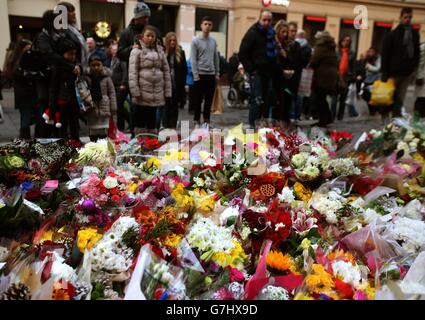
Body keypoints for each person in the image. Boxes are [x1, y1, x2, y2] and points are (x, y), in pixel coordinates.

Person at [128, 25, 172, 134]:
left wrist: (167, 92)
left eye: (152, 36)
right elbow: (132, 72)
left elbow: (166, 72)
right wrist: (135, 91)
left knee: (152, 121)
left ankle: (151, 144)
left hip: (156, 93)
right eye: (148, 35)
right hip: (141, 94)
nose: (150, 38)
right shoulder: (136, 51)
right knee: (140, 121)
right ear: (142, 36)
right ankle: (140, 144)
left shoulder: (160, 51)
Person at [239, 9, 278, 129]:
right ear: (260, 19)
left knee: (266, 101)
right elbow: (243, 53)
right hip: (257, 72)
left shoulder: (272, 34)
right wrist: (251, 69)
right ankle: (252, 125)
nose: (266, 22)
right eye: (264, 20)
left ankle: (262, 126)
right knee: (256, 100)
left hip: (268, 72)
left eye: (269, 20)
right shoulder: (252, 33)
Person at [381, 7, 420, 118]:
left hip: (406, 73)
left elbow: (416, 52)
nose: (408, 20)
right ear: (400, 17)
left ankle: (396, 123)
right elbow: (385, 55)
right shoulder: (392, 35)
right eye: (405, 17)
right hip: (393, 73)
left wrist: (413, 68)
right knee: (388, 97)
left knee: (399, 99)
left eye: (410, 17)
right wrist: (384, 73)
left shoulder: (414, 34)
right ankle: (384, 120)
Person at [9, 40, 42, 139]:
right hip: (23, 95)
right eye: (27, 48)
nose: (29, 51)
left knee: (39, 118)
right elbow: (16, 74)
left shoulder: (31, 58)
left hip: (33, 93)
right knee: (25, 120)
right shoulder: (16, 61)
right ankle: (25, 140)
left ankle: (37, 140)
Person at [190, 16, 220, 128]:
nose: (207, 26)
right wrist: (195, 75)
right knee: (197, 100)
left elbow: (216, 57)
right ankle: (196, 120)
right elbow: (193, 59)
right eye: (205, 24)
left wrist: (217, 73)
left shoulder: (213, 41)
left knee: (208, 101)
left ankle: (207, 121)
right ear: (201, 26)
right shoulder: (195, 41)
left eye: (209, 24)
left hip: (211, 75)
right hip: (200, 75)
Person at [49, 37, 80, 141]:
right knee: (62, 124)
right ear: (63, 54)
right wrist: (52, 104)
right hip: (63, 100)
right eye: (70, 54)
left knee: (74, 123)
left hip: (74, 99)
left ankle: (75, 141)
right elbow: (53, 87)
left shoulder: (75, 65)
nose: (73, 56)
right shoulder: (58, 67)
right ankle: (63, 143)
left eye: (74, 54)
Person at [84, 55, 117, 142]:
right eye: (93, 65)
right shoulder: (86, 78)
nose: (96, 67)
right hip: (91, 108)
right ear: (90, 66)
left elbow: (112, 92)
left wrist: (113, 107)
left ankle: (102, 147)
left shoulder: (107, 77)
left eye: (98, 65)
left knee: (103, 131)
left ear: (102, 65)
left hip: (104, 107)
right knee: (93, 131)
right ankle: (93, 146)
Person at [310, 31, 338, 127]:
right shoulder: (331, 47)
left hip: (321, 76)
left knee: (319, 98)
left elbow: (314, 59)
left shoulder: (321, 46)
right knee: (322, 98)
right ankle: (327, 118)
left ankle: (323, 120)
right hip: (330, 76)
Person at [332, 35, 359, 120]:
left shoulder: (352, 53)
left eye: (348, 41)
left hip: (346, 78)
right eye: (345, 40)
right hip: (337, 77)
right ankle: (332, 116)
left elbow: (354, 66)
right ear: (341, 41)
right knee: (334, 98)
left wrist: (353, 77)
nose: (346, 42)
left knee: (343, 98)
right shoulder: (337, 52)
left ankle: (340, 116)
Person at [164, 32, 187, 129]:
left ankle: (173, 126)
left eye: (174, 40)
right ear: (167, 42)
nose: (172, 42)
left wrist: (183, 84)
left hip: (177, 84)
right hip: (166, 84)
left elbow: (184, 69)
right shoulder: (163, 53)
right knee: (166, 106)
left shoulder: (180, 52)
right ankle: (166, 126)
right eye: (170, 40)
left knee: (175, 106)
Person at [57, 2, 89, 68]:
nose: (74, 13)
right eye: (70, 11)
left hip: (80, 66)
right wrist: (74, 66)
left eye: (73, 11)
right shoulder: (61, 30)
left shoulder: (74, 29)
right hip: (70, 68)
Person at [274, 20, 293, 123]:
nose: (285, 34)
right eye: (283, 32)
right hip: (275, 75)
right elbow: (273, 61)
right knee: (276, 101)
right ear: (278, 31)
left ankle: (281, 123)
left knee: (284, 100)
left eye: (286, 32)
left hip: (285, 77)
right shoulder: (273, 43)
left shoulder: (286, 44)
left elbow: (289, 59)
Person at [110, 43, 130, 132]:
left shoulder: (121, 60)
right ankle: (120, 126)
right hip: (114, 86)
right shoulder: (112, 59)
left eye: (115, 50)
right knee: (118, 106)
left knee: (119, 105)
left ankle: (129, 121)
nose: (114, 51)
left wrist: (123, 83)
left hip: (121, 86)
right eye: (112, 50)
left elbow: (125, 72)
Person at [296, 30, 313, 120]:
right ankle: (300, 113)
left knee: (299, 95)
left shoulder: (295, 45)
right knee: (302, 95)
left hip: (297, 72)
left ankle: (298, 113)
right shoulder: (308, 47)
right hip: (304, 73)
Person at [414, 42, 425, 119]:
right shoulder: (424, 47)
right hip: (423, 79)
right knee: (421, 100)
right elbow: (419, 62)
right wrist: (419, 76)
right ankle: (417, 121)